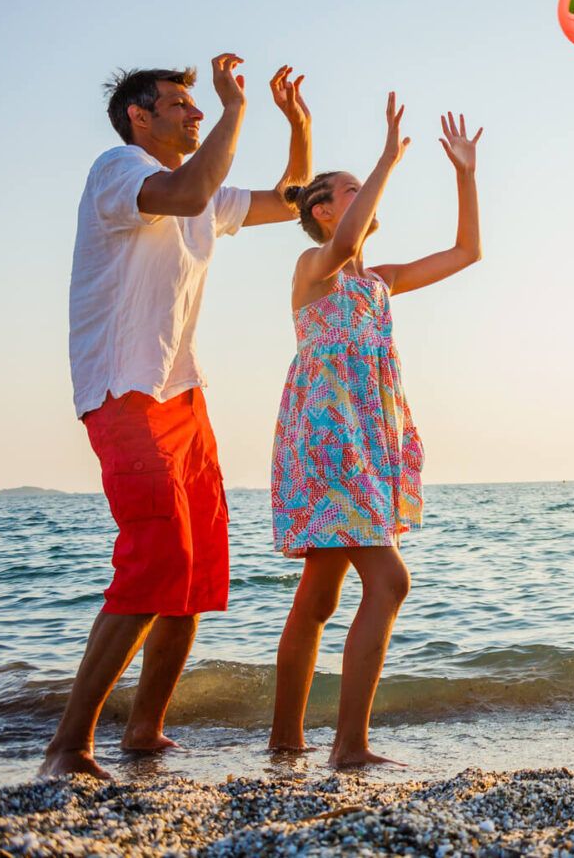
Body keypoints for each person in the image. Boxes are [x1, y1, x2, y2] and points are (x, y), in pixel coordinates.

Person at [41, 58, 312, 779]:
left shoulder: (201, 196)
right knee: (154, 557)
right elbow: (190, 190)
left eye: (200, 107)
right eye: (180, 105)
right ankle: (68, 744)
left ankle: (145, 730)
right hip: (122, 390)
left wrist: (299, 126)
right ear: (139, 115)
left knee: (194, 569)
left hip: (182, 395)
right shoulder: (118, 169)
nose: (195, 116)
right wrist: (234, 109)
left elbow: (291, 202)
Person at [268, 97, 484, 767]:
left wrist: (465, 174)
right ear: (323, 210)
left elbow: (468, 251)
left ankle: (285, 742)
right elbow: (343, 245)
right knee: (389, 582)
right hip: (329, 441)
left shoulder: (380, 283)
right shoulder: (314, 270)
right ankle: (349, 746)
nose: (366, 192)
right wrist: (389, 154)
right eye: (352, 189)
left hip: (365, 440)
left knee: (320, 595)